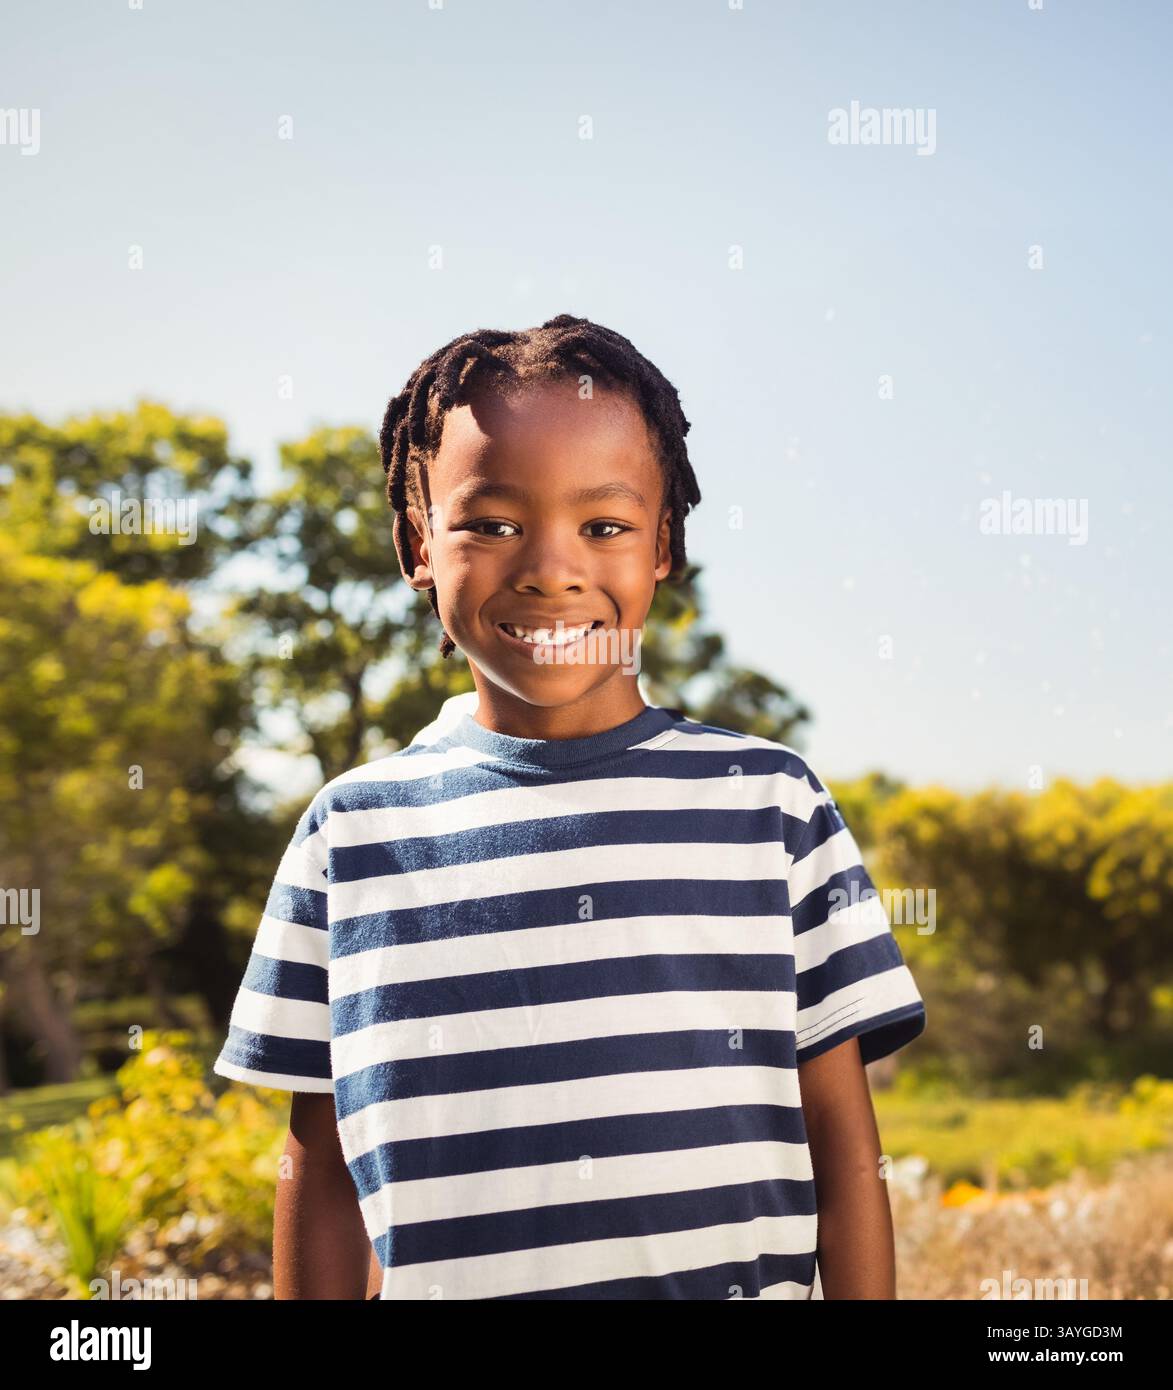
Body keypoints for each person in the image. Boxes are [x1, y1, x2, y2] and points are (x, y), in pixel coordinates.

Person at [213, 313, 926, 1299]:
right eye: (493, 523)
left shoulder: (771, 809)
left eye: (604, 525)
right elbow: (322, 1174)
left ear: (663, 542)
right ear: (418, 541)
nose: (551, 566)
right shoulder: (349, 840)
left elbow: (847, 1163)